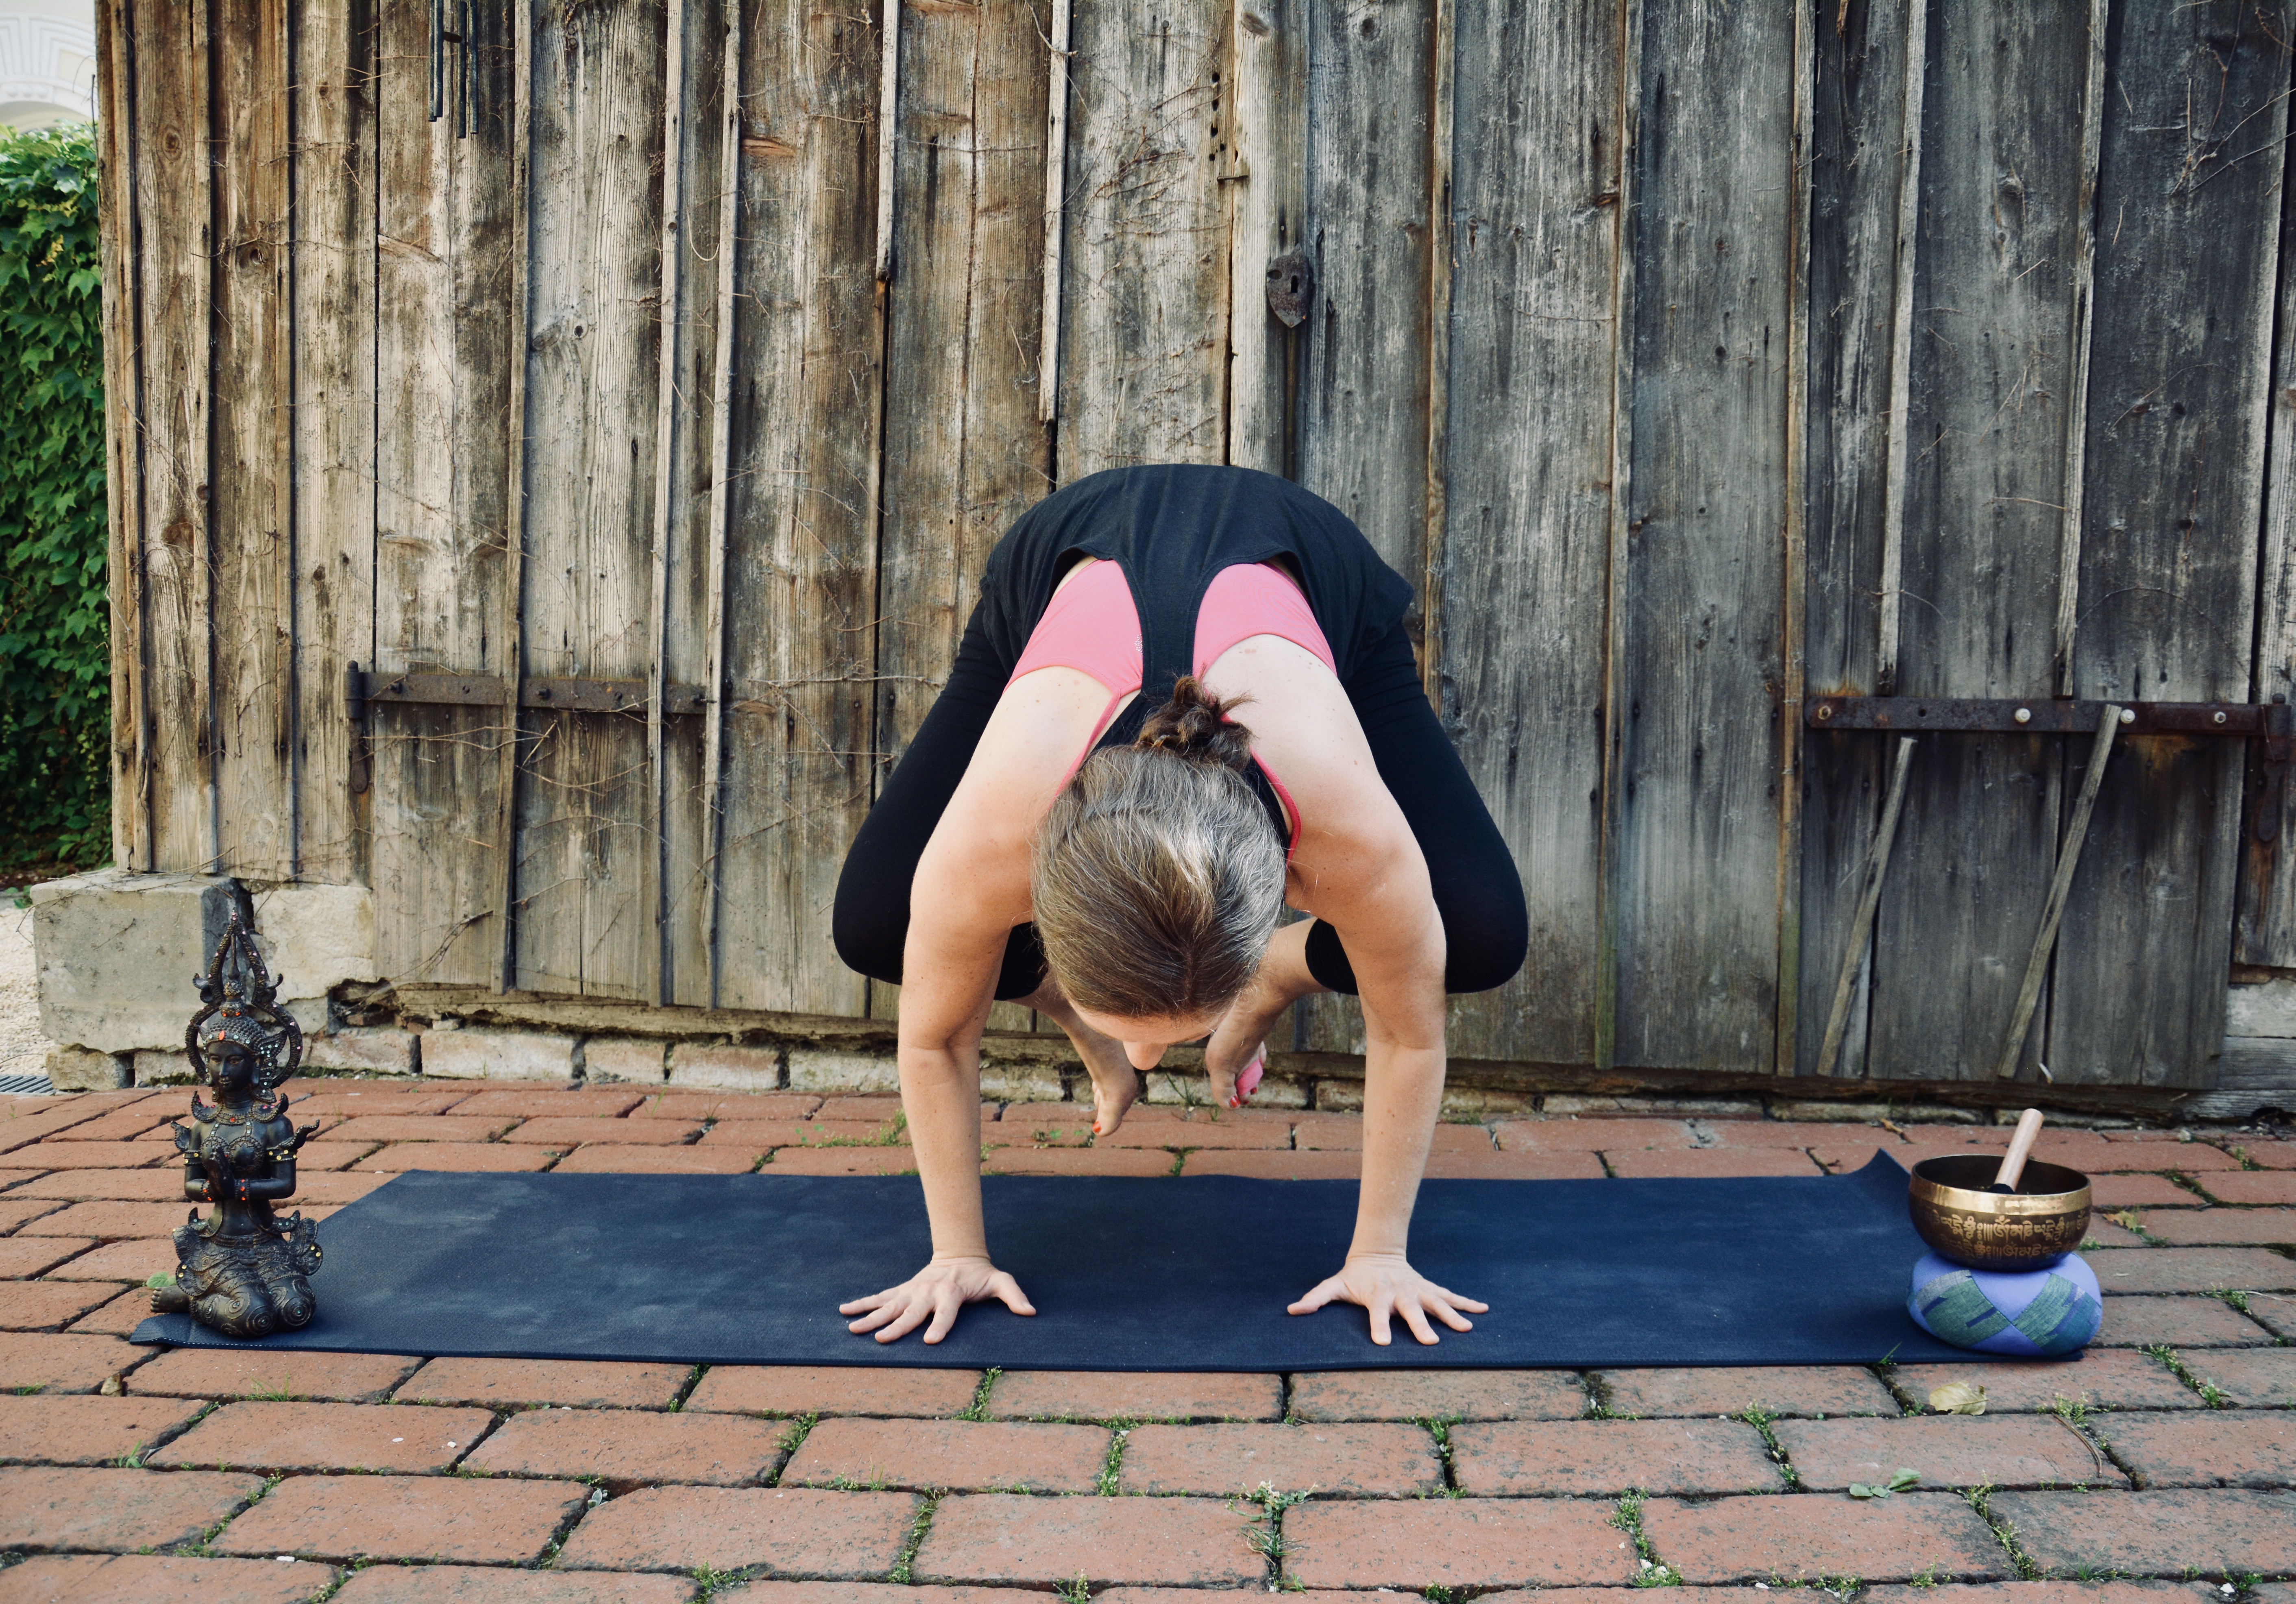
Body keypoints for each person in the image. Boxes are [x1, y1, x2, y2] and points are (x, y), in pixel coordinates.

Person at [830, 464, 1527, 1346]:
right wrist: (954, 1253)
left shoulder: (1347, 831)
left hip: (1304, 561)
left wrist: (1381, 1253)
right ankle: (1081, 1013)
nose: (1150, 1056)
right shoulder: (994, 835)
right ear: (1040, 905)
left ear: (1282, 888)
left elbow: (1409, 1030)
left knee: (1476, 930)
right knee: (877, 918)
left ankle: (1270, 978)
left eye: (1165, 1028)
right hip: (1073, 555)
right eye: (1129, 1026)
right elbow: (935, 1034)